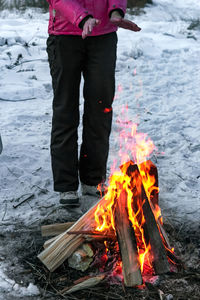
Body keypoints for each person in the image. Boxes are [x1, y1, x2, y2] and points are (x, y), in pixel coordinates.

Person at [46, 0, 141, 206]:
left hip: (103, 37)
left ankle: (92, 179)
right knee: (65, 110)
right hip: (65, 37)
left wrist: (116, 11)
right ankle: (66, 186)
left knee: (100, 109)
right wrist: (82, 18)